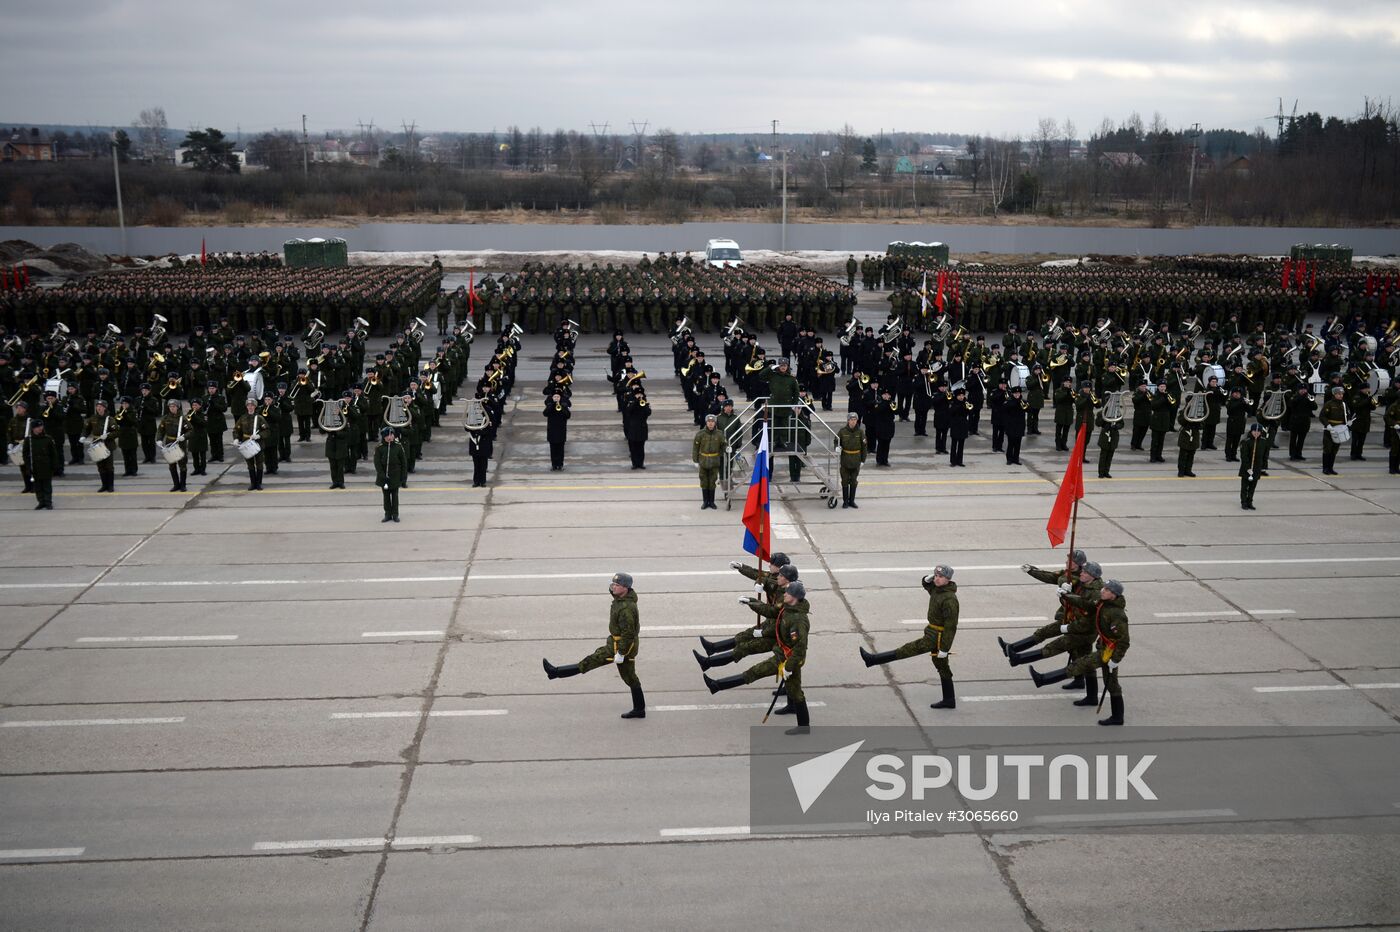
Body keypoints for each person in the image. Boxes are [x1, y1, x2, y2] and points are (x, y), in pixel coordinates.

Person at [704, 580, 813, 735]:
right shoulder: (788, 608)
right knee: (795, 691)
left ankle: (716, 686)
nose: (785, 594)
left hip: (787, 659)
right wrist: (751, 602)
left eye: (788, 593)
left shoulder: (798, 620)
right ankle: (804, 726)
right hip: (783, 655)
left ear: (794, 597)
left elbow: (800, 648)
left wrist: (789, 667)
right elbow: (770, 611)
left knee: (755, 672)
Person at [1027, 579, 1131, 726]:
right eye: (1104, 588)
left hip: (1109, 652)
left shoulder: (1117, 614)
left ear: (1114, 595)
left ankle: (1043, 679)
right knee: (1112, 684)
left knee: (1080, 665)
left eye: (1107, 590)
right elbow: (1084, 603)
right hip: (1104, 648)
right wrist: (1066, 595)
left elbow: (1124, 641)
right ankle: (1107, 709)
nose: (1103, 590)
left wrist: (1116, 659)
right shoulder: (1103, 603)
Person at [543, 571, 645, 720]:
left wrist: (621, 653)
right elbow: (615, 594)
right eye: (613, 584)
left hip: (620, 647)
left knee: (591, 662)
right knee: (630, 677)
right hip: (616, 644)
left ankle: (555, 672)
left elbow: (628, 634)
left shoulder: (626, 608)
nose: (613, 587)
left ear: (626, 588)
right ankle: (640, 709)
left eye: (617, 585)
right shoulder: (621, 599)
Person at [1002, 561, 1105, 706]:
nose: (1082, 572)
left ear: (1092, 576)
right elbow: (1059, 578)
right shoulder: (1084, 583)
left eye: (1085, 572)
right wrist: (1065, 593)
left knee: (1055, 647)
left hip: (1082, 631)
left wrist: (1068, 599)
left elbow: (1086, 609)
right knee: (1084, 661)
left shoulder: (1095, 592)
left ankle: (1021, 661)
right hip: (1077, 626)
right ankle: (1089, 693)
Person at [859, 564, 959, 710]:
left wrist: (944, 648)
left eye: (941, 577)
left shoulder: (949, 599)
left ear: (948, 579)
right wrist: (927, 579)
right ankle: (949, 700)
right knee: (942, 667)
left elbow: (951, 626)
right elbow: (927, 585)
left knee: (907, 650)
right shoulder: (938, 590)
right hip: (931, 632)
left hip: (937, 637)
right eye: (936, 576)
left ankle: (873, 659)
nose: (937, 579)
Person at [22, 419, 59, 509]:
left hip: (46, 465)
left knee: (47, 485)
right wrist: (27, 466)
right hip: (34, 466)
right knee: (37, 486)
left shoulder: (48, 439)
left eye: (41, 426)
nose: (40, 428)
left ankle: (48, 502)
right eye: (37, 427)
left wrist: (55, 465)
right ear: (33, 429)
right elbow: (25, 454)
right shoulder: (29, 440)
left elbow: (53, 454)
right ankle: (41, 501)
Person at [692, 412, 725, 510]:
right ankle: (705, 502)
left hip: (714, 462)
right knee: (704, 481)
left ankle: (712, 502)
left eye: (712, 422)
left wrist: (720, 454)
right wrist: (695, 460)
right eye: (709, 421)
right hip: (703, 461)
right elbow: (695, 448)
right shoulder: (700, 434)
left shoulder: (719, 434)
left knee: (712, 482)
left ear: (715, 423)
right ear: (706, 423)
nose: (711, 423)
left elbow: (724, 445)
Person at [374, 426, 408, 522]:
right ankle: (387, 514)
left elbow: (403, 462)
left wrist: (403, 476)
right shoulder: (379, 448)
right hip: (384, 476)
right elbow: (377, 463)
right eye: (387, 435)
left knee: (395, 496)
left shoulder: (398, 446)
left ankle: (395, 514)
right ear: (383, 437)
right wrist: (382, 475)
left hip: (395, 475)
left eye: (391, 435)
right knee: (386, 496)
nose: (390, 437)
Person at [233, 399, 268, 491]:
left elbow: (267, 430)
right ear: (246, 406)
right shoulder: (242, 418)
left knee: (259, 463)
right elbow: (236, 430)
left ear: (255, 406)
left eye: (252, 405)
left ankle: (259, 483)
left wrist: (259, 436)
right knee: (250, 464)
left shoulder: (259, 418)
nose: (250, 407)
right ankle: (253, 483)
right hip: (246, 442)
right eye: (248, 405)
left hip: (258, 443)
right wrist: (236, 438)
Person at [84, 398, 117, 492]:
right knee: (100, 466)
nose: (99, 408)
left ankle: (110, 485)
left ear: (105, 408)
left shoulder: (110, 419)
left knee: (109, 466)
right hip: (96, 443)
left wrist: (108, 436)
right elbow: (86, 429)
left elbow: (117, 432)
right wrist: (83, 436)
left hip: (108, 444)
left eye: (101, 407)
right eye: (97, 406)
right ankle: (104, 485)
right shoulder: (93, 418)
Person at [158, 398, 189, 492]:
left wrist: (184, 437)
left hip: (180, 443)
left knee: (182, 465)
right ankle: (176, 484)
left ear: (178, 407)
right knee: (172, 465)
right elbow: (160, 430)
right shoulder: (165, 418)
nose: (172, 408)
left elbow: (191, 430)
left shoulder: (182, 418)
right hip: (169, 443)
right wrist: (159, 439)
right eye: (170, 406)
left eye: (174, 406)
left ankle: (183, 485)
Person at [837, 411, 866, 508]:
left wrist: (863, 460)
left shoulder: (860, 432)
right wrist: (836, 448)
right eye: (851, 420)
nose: (853, 422)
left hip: (856, 460)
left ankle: (851, 501)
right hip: (845, 460)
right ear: (848, 421)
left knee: (853, 481)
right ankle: (845, 501)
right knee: (844, 480)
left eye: (855, 420)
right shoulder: (842, 431)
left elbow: (864, 447)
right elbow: (836, 441)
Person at [1319, 385, 1348, 476]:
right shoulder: (1329, 404)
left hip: (1339, 429)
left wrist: (1348, 423)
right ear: (1334, 394)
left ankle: (1331, 468)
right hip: (1330, 429)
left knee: (1335, 449)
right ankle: (1325, 468)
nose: (1340, 396)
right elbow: (1322, 416)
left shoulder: (1343, 404)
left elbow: (1347, 415)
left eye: (1341, 394)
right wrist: (1327, 425)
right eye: (1338, 394)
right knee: (1327, 448)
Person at [1238, 422, 1265, 510]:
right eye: (1254, 431)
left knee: (1252, 487)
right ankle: (1244, 502)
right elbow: (1244, 456)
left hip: (1257, 468)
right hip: (1247, 468)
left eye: (1258, 432)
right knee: (1244, 487)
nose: (1256, 433)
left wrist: (1263, 466)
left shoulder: (1263, 442)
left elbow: (1264, 455)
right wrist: (1248, 468)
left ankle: (1250, 501)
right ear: (1251, 431)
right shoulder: (1246, 441)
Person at [543, 391, 570, 471]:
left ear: (560, 398)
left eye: (558, 397)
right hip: (552, 431)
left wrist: (562, 407)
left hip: (561, 430)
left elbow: (568, 415)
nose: (556, 398)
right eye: (555, 397)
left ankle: (560, 465)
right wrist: (552, 406)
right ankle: (554, 465)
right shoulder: (550, 405)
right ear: (552, 398)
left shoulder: (564, 405)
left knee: (561, 450)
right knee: (553, 450)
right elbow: (545, 413)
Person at [1001, 385, 1027, 465]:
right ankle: (1009, 459)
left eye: (1018, 393)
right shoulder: (1009, 401)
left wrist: (1025, 405)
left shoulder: (1023, 401)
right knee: (1011, 443)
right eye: (1015, 393)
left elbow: (1029, 410)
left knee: (1018, 444)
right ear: (1012, 394)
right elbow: (1005, 408)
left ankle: (1016, 459)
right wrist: (1016, 402)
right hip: (1011, 425)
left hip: (1020, 425)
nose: (1017, 395)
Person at [948, 386, 972, 467]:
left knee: (961, 444)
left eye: (963, 395)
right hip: (955, 425)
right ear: (956, 396)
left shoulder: (966, 402)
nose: (962, 397)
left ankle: (960, 461)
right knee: (954, 444)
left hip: (964, 425)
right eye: (960, 395)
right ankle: (953, 461)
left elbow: (969, 412)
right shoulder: (953, 402)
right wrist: (959, 406)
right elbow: (951, 412)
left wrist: (968, 408)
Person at [1097, 409, 1121, 479]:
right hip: (1105, 435)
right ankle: (1101, 472)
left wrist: (1116, 426)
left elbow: (1121, 424)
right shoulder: (1102, 412)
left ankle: (1106, 472)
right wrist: (1104, 419)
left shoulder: (1117, 413)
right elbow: (1098, 423)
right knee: (1103, 456)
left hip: (1113, 436)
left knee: (1110, 456)